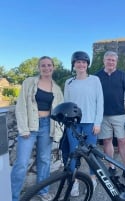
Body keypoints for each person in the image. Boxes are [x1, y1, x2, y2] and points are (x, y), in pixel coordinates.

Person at [11, 56, 64, 201]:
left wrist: (58, 132)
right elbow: (21, 106)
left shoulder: (57, 89)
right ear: (38, 68)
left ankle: (43, 191)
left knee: (45, 160)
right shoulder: (29, 82)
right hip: (30, 126)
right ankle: (13, 196)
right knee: (21, 163)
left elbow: (59, 111)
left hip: (48, 126)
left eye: (49, 65)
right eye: (43, 65)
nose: (46, 68)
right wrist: (24, 129)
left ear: (53, 67)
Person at [64, 51, 104, 196]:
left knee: (91, 154)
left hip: (90, 123)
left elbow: (100, 102)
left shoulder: (95, 80)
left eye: (84, 62)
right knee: (73, 153)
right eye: (78, 62)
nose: (81, 64)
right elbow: (66, 103)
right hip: (73, 124)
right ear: (73, 64)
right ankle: (73, 182)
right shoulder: (68, 82)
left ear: (87, 64)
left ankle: (93, 178)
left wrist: (97, 122)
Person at [95, 51, 125, 183]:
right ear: (104, 61)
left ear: (116, 62)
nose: (111, 62)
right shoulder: (97, 76)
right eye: (108, 60)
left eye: (113, 60)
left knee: (122, 141)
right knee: (107, 141)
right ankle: (111, 166)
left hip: (119, 114)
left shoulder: (122, 75)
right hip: (102, 115)